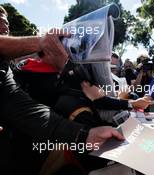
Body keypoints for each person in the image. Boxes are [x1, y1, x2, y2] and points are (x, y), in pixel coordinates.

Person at [0, 5, 124, 174]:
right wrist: (41, 42)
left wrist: (83, 135)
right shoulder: (23, 71)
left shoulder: (7, 74)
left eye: (6, 22)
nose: (5, 26)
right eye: (0, 22)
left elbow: (23, 109)